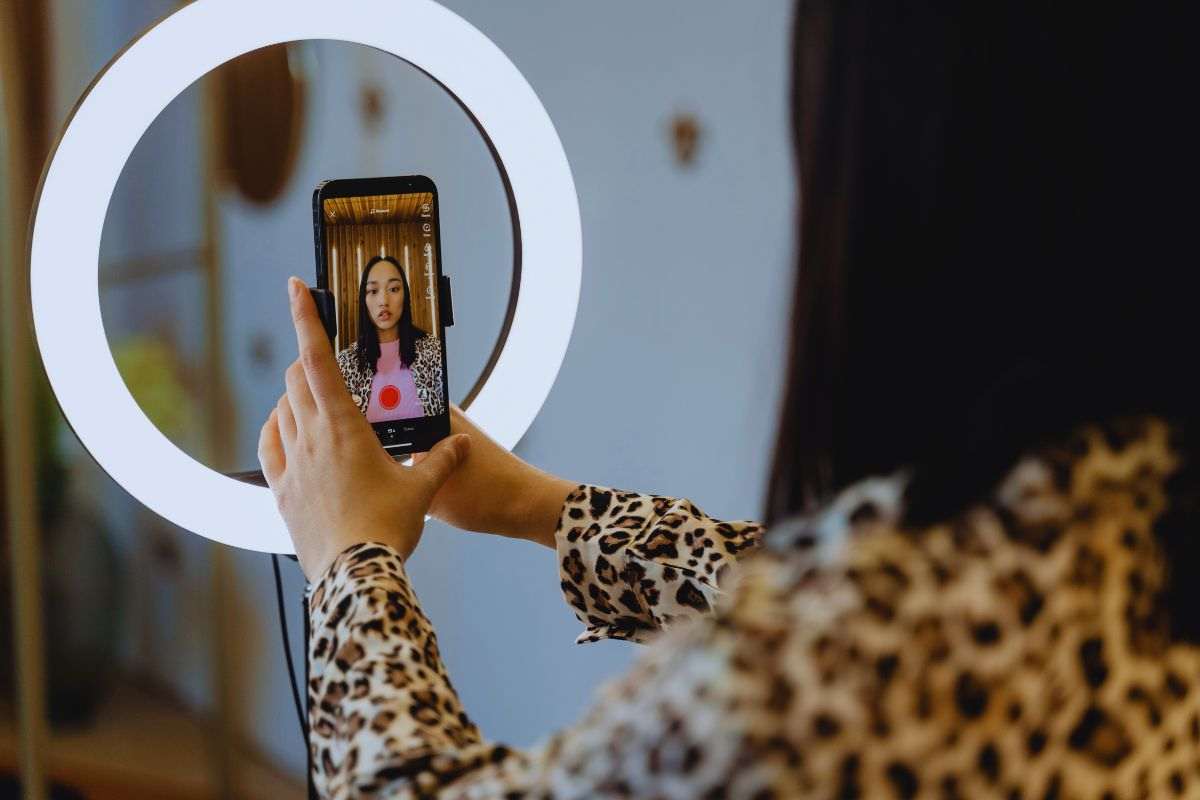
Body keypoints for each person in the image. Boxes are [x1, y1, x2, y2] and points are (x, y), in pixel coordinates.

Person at [258, 2, 1199, 797]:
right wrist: (536, 505)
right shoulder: (1137, 512)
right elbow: (784, 578)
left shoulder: (827, 670)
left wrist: (350, 561)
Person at [335, 254, 445, 421]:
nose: (383, 301)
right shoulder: (346, 363)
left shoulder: (434, 350)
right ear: (364, 300)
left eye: (393, 289)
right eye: (373, 291)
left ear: (405, 295)